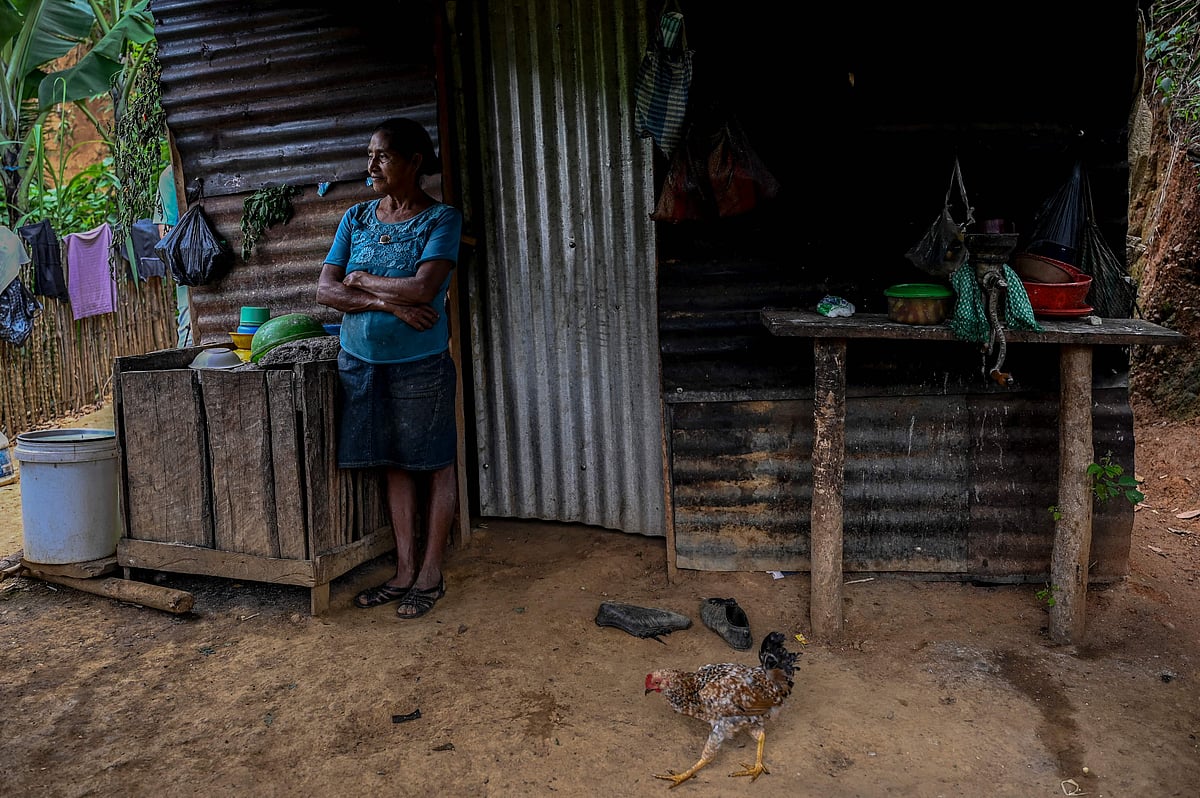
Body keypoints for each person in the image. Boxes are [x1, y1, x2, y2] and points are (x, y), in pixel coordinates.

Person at [316, 117, 462, 619]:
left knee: (436, 461)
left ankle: (431, 573)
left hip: (421, 365)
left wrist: (363, 279)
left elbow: (424, 289)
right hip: (362, 363)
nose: (371, 166)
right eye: (370, 155)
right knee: (395, 463)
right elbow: (326, 290)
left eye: (383, 156)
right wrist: (387, 305)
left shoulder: (441, 220)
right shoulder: (356, 218)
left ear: (414, 163)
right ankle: (403, 570)